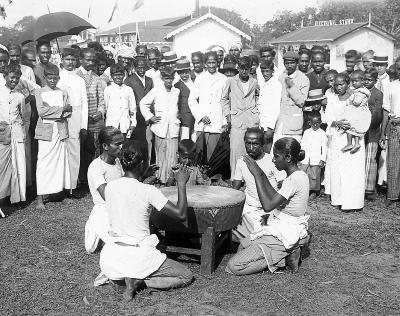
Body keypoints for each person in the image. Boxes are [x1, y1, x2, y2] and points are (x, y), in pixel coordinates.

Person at [98, 142, 193, 301]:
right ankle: (138, 281)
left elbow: (130, 194)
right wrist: (181, 183)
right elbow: (181, 215)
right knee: (186, 275)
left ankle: (123, 279)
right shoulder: (148, 191)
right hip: (138, 256)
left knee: (122, 270)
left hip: (112, 258)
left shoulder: (110, 187)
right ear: (142, 163)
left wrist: (141, 175)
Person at [227, 137, 310, 275]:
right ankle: (282, 252)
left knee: (234, 267)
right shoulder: (298, 175)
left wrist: (257, 175)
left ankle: (283, 257)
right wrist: (259, 171)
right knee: (242, 244)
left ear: (288, 157)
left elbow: (267, 205)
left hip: (284, 232)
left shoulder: (294, 180)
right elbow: (275, 197)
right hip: (278, 225)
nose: (273, 160)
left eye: (276, 156)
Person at [231, 128, 286, 241]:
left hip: (270, 206)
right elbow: (235, 189)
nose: (251, 148)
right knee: (232, 223)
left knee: (268, 229)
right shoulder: (241, 161)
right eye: (248, 143)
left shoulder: (273, 161)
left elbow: (283, 187)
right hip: (250, 207)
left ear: (263, 144)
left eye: (255, 144)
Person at [325, 73, 366, 211]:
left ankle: (353, 202)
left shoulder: (356, 97)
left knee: (353, 169)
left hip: (354, 135)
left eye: (341, 84)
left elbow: (363, 113)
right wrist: (335, 122)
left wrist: (353, 123)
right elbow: (328, 115)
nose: (338, 87)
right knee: (339, 169)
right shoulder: (332, 99)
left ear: (348, 83)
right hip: (338, 136)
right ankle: (339, 199)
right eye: (336, 84)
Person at [34, 64, 72, 210]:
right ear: (44, 78)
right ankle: (40, 198)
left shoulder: (63, 92)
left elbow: (70, 111)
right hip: (46, 132)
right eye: (49, 78)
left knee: (60, 161)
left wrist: (58, 111)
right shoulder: (39, 92)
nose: (52, 80)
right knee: (44, 162)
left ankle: (59, 193)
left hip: (60, 130)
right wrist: (61, 109)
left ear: (58, 78)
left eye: (55, 78)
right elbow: (42, 111)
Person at [85, 127, 124, 253]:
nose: (121, 147)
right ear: (105, 146)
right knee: (93, 248)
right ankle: (95, 227)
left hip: (119, 208)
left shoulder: (117, 161)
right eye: (117, 144)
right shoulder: (96, 167)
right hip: (104, 210)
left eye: (122, 143)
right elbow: (106, 195)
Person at [140, 66, 180, 183]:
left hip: (173, 126)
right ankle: (160, 178)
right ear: (162, 78)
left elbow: (181, 107)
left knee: (172, 154)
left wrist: (179, 116)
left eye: (171, 78)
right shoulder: (156, 90)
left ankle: (171, 179)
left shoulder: (176, 91)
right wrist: (150, 117)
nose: (169, 81)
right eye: (166, 78)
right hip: (160, 127)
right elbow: (143, 103)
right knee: (161, 154)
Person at [221, 56, 259, 180]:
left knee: (250, 151)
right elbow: (224, 99)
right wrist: (228, 117)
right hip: (236, 121)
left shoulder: (254, 82)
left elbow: (258, 97)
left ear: (250, 69)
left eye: (246, 69)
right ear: (238, 68)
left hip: (251, 120)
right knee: (236, 150)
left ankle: (249, 179)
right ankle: (235, 179)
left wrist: (256, 113)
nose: (244, 71)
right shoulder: (231, 81)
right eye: (241, 68)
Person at [57, 48, 88, 193]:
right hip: (60, 118)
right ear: (62, 60)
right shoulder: (57, 77)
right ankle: (60, 186)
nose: (70, 62)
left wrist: (84, 126)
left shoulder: (80, 80)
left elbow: (84, 104)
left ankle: (72, 186)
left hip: (76, 118)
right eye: (67, 59)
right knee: (60, 150)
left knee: (74, 151)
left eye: (73, 59)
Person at [189, 51, 228, 160]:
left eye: (214, 62)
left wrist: (224, 121)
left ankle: (212, 177)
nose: (211, 65)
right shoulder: (200, 78)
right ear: (205, 63)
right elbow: (191, 100)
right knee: (200, 154)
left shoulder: (223, 79)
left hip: (217, 121)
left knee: (213, 155)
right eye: (209, 63)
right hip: (202, 123)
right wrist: (201, 116)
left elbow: (225, 101)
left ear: (218, 63)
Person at [76, 48, 106, 183]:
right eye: (88, 60)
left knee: (93, 148)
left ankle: (93, 179)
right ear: (81, 60)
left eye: (93, 60)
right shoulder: (75, 76)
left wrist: (100, 112)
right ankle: (80, 178)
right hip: (79, 120)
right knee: (79, 149)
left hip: (94, 121)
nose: (91, 62)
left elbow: (102, 99)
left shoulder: (97, 78)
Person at [0, 62, 26, 204]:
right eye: (11, 77)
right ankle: (3, 196)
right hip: (3, 134)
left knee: (19, 164)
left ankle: (19, 196)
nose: (14, 80)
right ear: (5, 76)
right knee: (3, 165)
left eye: (17, 78)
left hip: (17, 133)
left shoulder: (20, 96)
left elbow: (23, 115)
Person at [274, 51, 310, 144]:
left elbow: (302, 102)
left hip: (293, 124)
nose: (289, 65)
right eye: (287, 63)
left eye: (292, 63)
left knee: (292, 153)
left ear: (297, 63)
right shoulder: (281, 77)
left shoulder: (304, 79)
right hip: (280, 123)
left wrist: (291, 86)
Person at [125, 57, 154, 165]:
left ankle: (147, 165)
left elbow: (153, 99)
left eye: (143, 67)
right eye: (139, 67)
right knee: (136, 143)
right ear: (134, 67)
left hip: (148, 117)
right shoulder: (129, 80)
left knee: (147, 142)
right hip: (136, 117)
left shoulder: (150, 80)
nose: (141, 70)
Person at [379, 57, 400, 206]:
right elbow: (386, 110)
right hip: (394, 127)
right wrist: (382, 133)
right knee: (393, 162)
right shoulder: (391, 86)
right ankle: (392, 195)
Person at [363, 68, 383, 200]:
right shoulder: (359, 91)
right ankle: (359, 186)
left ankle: (369, 190)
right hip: (360, 131)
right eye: (365, 79)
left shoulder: (377, 93)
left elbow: (377, 113)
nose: (366, 82)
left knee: (370, 160)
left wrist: (368, 112)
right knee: (360, 159)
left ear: (375, 81)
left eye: (369, 80)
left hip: (372, 131)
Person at [341, 70, 371, 154]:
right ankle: (355, 143)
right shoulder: (359, 90)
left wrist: (352, 99)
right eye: (352, 81)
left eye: (356, 81)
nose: (354, 83)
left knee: (351, 126)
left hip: (357, 112)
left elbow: (357, 102)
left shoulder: (360, 92)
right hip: (358, 111)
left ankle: (350, 143)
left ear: (362, 81)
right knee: (355, 128)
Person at [104, 64, 136, 137]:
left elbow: (133, 109)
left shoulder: (129, 90)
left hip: (125, 124)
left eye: (120, 74)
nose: (118, 77)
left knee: (124, 145)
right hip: (111, 124)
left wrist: (133, 123)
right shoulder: (108, 90)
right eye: (115, 75)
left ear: (124, 75)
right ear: (111, 76)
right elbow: (105, 107)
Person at [300, 111, 327, 198]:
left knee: (315, 175)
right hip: (306, 158)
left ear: (321, 123)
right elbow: (303, 145)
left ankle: (314, 191)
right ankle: (305, 190)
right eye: (313, 123)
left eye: (317, 123)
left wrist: (323, 159)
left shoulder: (322, 133)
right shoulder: (306, 132)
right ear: (309, 123)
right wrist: (301, 156)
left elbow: (325, 147)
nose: (315, 125)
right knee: (305, 174)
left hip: (316, 158)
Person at [258, 59, 282, 153]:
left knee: (267, 151)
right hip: (261, 124)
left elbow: (275, 107)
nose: (265, 73)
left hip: (268, 125)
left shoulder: (276, 85)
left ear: (273, 71)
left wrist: (270, 127)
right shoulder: (263, 83)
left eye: (267, 71)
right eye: (263, 71)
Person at [374, 55, 390, 189]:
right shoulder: (371, 79)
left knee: (383, 148)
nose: (379, 67)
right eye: (377, 65)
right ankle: (371, 180)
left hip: (384, 116)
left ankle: (382, 180)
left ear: (386, 66)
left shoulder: (389, 81)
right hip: (372, 117)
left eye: (382, 65)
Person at [174, 58, 195, 141]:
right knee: (184, 140)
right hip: (184, 118)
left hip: (196, 118)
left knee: (195, 140)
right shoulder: (177, 86)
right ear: (178, 73)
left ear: (190, 71)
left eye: (186, 72)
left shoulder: (195, 82)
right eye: (182, 73)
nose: (184, 75)